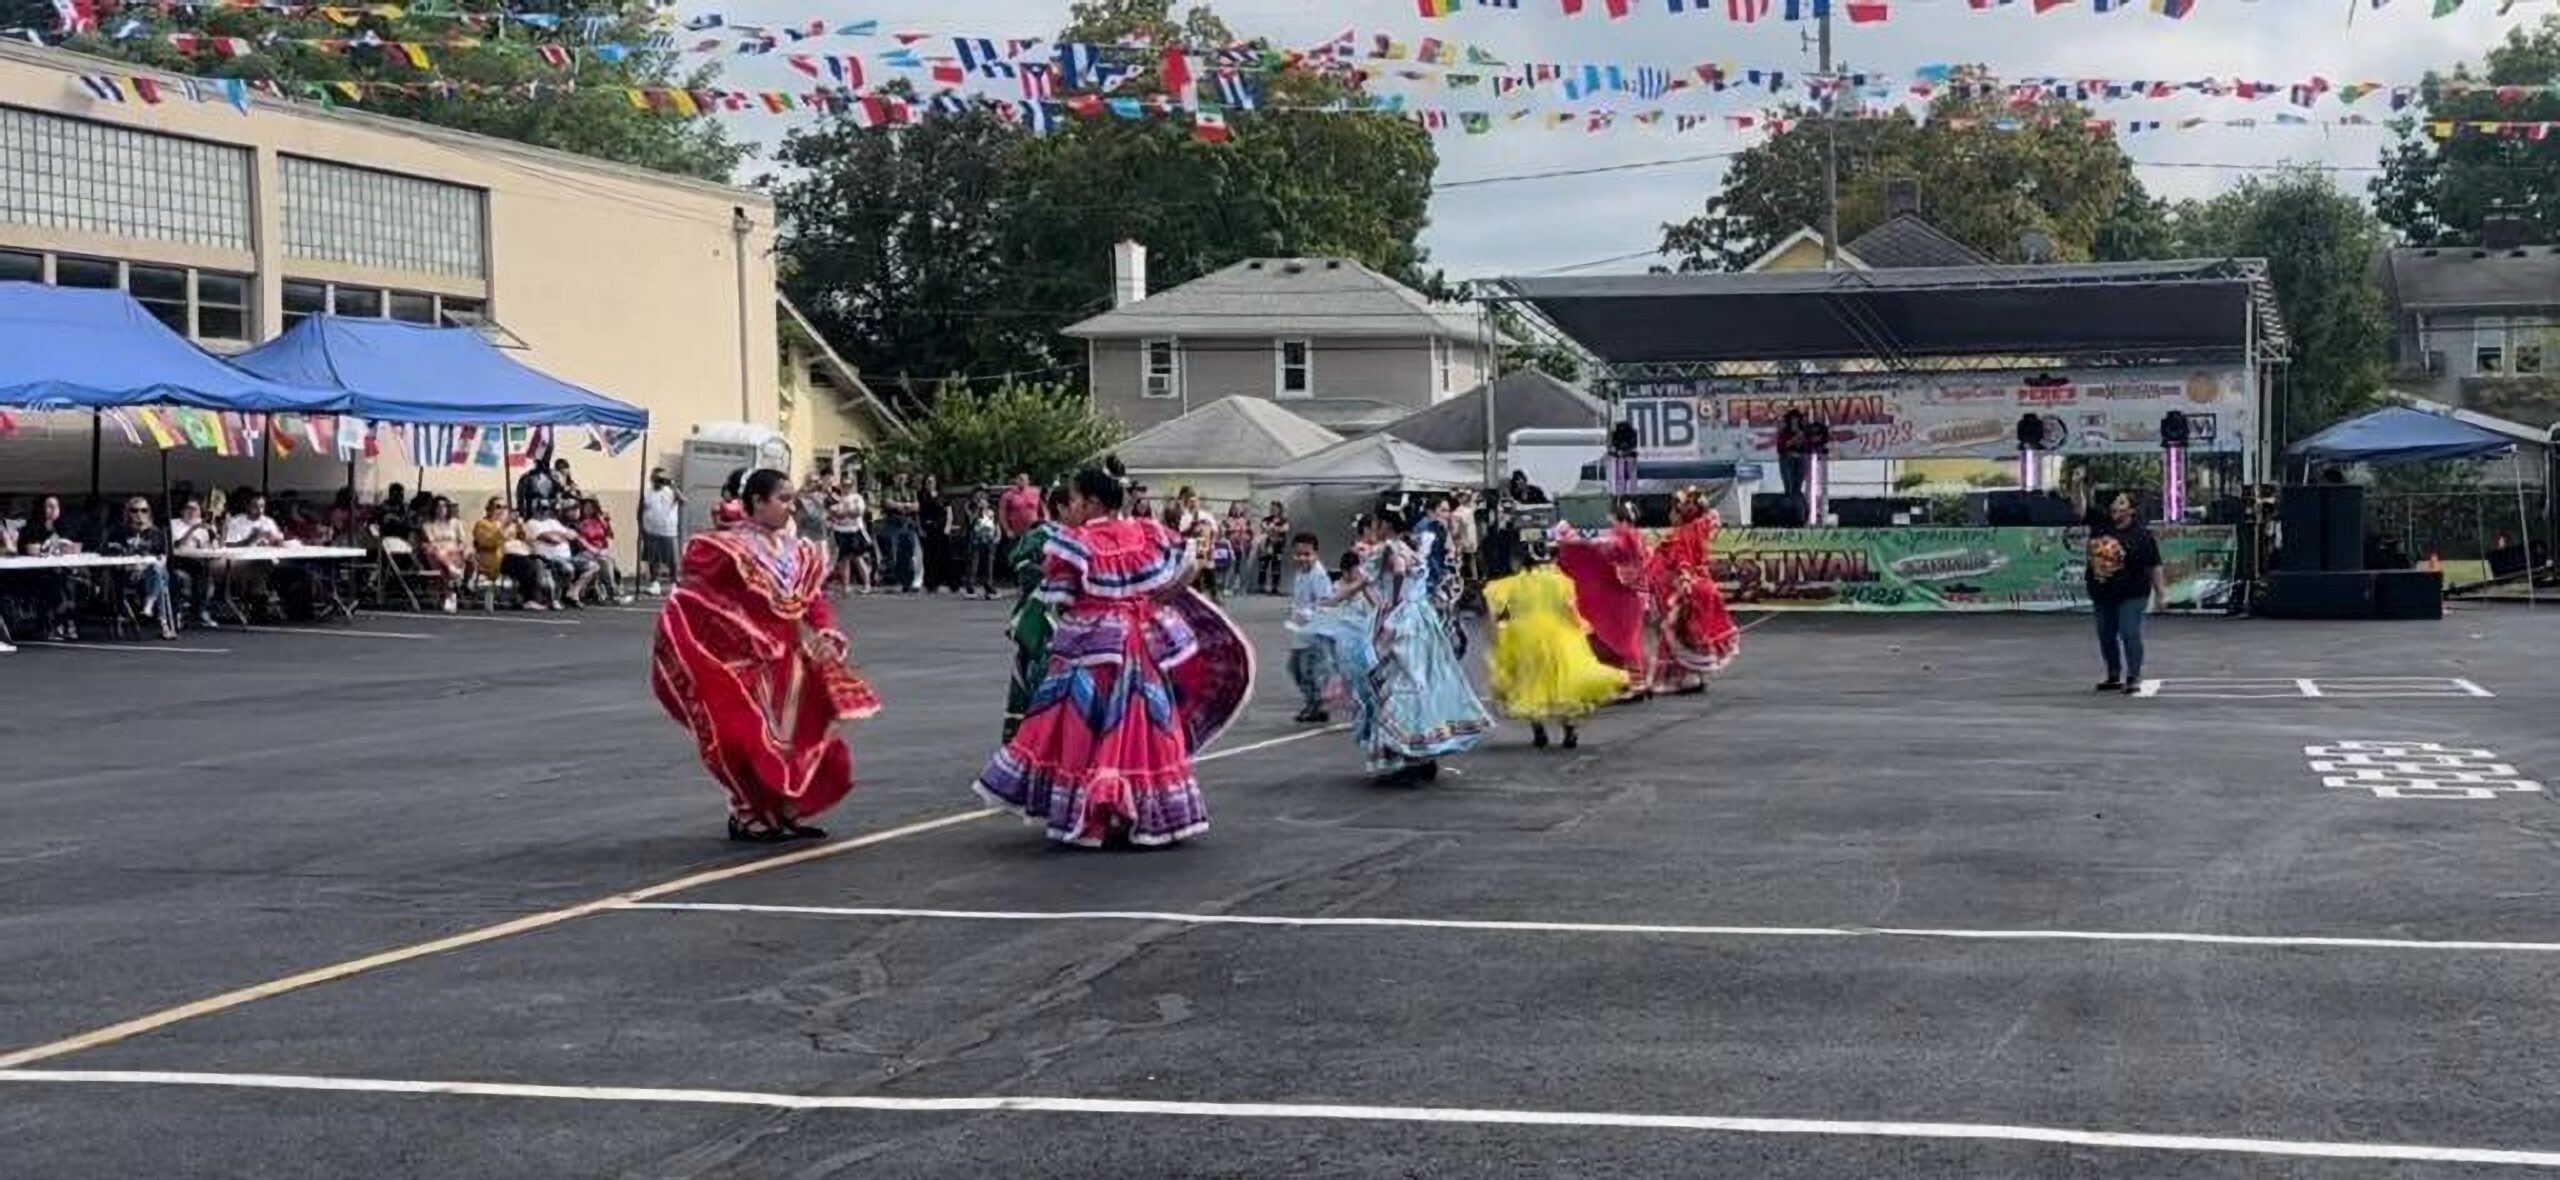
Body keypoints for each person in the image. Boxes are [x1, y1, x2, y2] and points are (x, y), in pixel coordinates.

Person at [973, 466, 1253, 848]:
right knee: (1141, 724)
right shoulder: (1145, 531)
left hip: (1090, 648)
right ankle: (1142, 812)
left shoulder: (1077, 542)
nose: (1068, 508)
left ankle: (1095, 813)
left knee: (1079, 726)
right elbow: (1191, 562)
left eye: (1072, 500)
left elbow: (1062, 598)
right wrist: (1154, 600)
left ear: (1091, 503)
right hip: (1139, 643)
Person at [653, 469, 880, 843]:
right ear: (757, 502)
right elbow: (696, 594)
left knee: (798, 739)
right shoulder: (726, 548)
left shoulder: (797, 551)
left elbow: (812, 599)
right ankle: (747, 814)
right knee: (743, 740)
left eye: (792, 499)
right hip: (743, 664)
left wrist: (826, 630)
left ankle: (781, 812)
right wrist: (734, 628)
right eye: (784, 499)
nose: (791, 507)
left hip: (787, 665)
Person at [1303, 510, 1492, 783]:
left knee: (1395, 686)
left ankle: (1407, 757)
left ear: (1385, 525)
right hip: (1420, 620)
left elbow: (1384, 575)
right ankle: (1424, 756)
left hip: (1401, 620)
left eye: (1377, 524)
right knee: (1419, 683)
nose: (1374, 529)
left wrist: (1390, 601)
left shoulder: (1391, 547)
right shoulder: (1410, 547)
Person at [1484, 541, 1626, 750]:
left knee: (1530, 683)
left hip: (1524, 636)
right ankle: (1569, 731)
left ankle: (1538, 731)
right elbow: (1570, 610)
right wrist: (1582, 627)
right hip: (1559, 635)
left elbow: (1494, 612)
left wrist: (1496, 634)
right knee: (1564, 683)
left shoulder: (1511, 584)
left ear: (1520, 562)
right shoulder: (1562, 582)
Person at [1645, 487, 1741, 695]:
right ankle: (1694, 676)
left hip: (1687, 589)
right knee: (1695, 635)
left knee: (1681, 635)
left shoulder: (1681, 537)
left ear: (1680, 514)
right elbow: (1710, 517)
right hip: (1703, 586)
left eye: (1673, 511)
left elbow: (1683, 563)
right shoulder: (1699, 528)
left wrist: (1684, 586)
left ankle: (1687, 677)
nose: (1669, 516)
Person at [1552, 502, 1652, 698]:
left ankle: (1635, 683)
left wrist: (1582, 544)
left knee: (1623, 640)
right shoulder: (1631, 536)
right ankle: (1629, 681)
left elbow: (1611, 550)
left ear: (1615, 518)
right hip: (1632, 595)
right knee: (1623, 639)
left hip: (1624, 597)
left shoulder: (1624, 537)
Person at [1000, 484, 1071, 742]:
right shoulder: (1042, 534)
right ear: (1062, 508)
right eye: (1078, 503)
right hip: (1041, 618)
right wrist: (1055, 577)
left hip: (1071, 620)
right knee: (1038, 675)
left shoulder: (1083, 536)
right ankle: (1030, 741)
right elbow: (1023, 568)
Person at [2085, 490, 2164, 695]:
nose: (2116, 507)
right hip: (2102, 591)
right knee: (2106, 634)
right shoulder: (2100, 525)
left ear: (2130, 509)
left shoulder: (2141, 535)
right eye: (2114, 503)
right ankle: (2113, 674)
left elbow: (2154, 565)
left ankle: (2134, 676)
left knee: (2129, 632)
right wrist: (2076, 484)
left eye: (2121, 503)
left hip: (2133, 592)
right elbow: (2078, 507)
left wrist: (2161, 594)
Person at [103, 496, 179, 640]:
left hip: (149, 573)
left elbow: (162, 556)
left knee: (159, 571)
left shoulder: (155, 533)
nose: (139, 514)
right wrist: (125, 555)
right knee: (163, 578)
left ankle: (150, 604)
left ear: (149, 512)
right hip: (127, 573)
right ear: (128, 513)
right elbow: (107, 550)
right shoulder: (120, 531)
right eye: (135, 510)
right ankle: (162, 621)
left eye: (144, 510)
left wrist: (148, 563)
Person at [1283, 531, 1334, 724]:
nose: (1302, 558)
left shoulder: (1318, 575)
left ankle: (1316, 704)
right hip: (1300, 629)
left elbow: (1325, 603)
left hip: (1315, 630)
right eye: (1298, 554)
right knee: (1295, 668)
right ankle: (1315, 703)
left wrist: (1306, 613)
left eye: (1307, 554)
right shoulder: (1301, 574)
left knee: (1308, 669)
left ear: (1316, 553)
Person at [471, 498, 554, 610]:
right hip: (497, 560)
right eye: (498, 507)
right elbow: (488, 542)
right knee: (526, 565)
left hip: (518, 556)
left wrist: (522, 526)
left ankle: (537, 598)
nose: (502, 510)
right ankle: (529, 599)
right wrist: (505, 526)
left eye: (505, 507)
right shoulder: (483, 524)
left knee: (538, 562)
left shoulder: (512, 525)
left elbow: (529, 539)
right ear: (489, 509)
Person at [524, 505, 594, 608]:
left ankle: (573, 592)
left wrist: (556, 533)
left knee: (593, 566)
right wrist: (562, 535)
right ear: (534, 510)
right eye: (542, 508)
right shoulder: (531, 523)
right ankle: (557, 596)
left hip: (567, 557)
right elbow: (552, 540)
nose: (544, 511)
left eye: (547, 508)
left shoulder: (553, 522)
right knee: (568, 569)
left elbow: (573, 535)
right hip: (549, 557)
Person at [568, 497, 632, 604]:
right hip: (586, 552)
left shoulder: (598, 521)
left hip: (601, 551)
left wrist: (604, 522)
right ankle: (613, 594)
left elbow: (607, 536)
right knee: (605, 561)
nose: (588, 510)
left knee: (609, 560)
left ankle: (614, 592)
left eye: (591, 507)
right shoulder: (579, 523)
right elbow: (581, 542)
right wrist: (596, 552)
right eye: (586, 507)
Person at [415, 496, 470, 613]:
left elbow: (463, 542)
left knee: (444, 555)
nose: (441, 509)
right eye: (438, 506)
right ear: (434, 508)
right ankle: (450, 593)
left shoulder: (456, 523)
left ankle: (449, 593)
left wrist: (453, 549)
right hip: (437, 557)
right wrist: (445, 549)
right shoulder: (428, 525)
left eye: (444, 506)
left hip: (455, 555)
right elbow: (432, 543)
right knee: (436, 551)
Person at [639, 468, 684, 594]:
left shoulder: (670, 491)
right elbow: (640, 511)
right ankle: (655, 584)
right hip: (651, 531)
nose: (657, 481)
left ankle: (674, 582)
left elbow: (683, 501)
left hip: (669, 531)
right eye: (655, 478)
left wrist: (673, 485)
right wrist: (642, 530)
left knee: (672, 560)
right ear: (651, 479)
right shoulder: (647, 493)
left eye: (660, 478)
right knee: (654, 560)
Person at [827, 479, 873, 594]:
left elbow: (856, 513)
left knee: (858, 558)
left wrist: (844, 511)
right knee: (844, 559)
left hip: (855, 530)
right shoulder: (836, 499)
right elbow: (834, 514)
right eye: (844, 485)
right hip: (840, 531)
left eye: (849, 485)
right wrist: (844, 511)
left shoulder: (857, 498)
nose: (846, 487)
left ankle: (867, 584)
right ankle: (845, 586)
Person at [962, 492, 1000, 599]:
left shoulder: (992, 512)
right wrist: (978, 510)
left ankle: (989, 587)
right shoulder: (972, 511)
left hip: (989, 541)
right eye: (979, 500)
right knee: (974, 564)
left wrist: (998, 535)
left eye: (983, 500)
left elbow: (996, 524)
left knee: (988, 565)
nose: (982, 502)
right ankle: (970, 588)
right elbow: (970, 522)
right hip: (976, 541)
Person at [1255, 501, 1291, 595]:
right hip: (1266, 545)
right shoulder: (1266, 519)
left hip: (1278, 546)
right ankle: (1261, 586)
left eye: (1275, 508)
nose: (1273, 510)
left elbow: (1285, 529)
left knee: (1276, 566)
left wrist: (1273, 529)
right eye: (1271, 508)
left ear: (1279, 509)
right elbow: (1264, 527)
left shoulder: (1283, 520)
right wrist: (1274, 529)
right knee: (1263, 565)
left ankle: (1275, 587)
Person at [998, 471, 1043, 542]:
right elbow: (1002, 515)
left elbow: (1043, 509)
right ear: (1016, 480)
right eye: (1020, 479)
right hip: (1016, 532)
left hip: (1033, 531)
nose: (1022, 481)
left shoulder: (1035, 492)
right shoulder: (1008, 496)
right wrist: (1008, 530)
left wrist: (1046, 522)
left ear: (1028, 481)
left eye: (1024, 479)